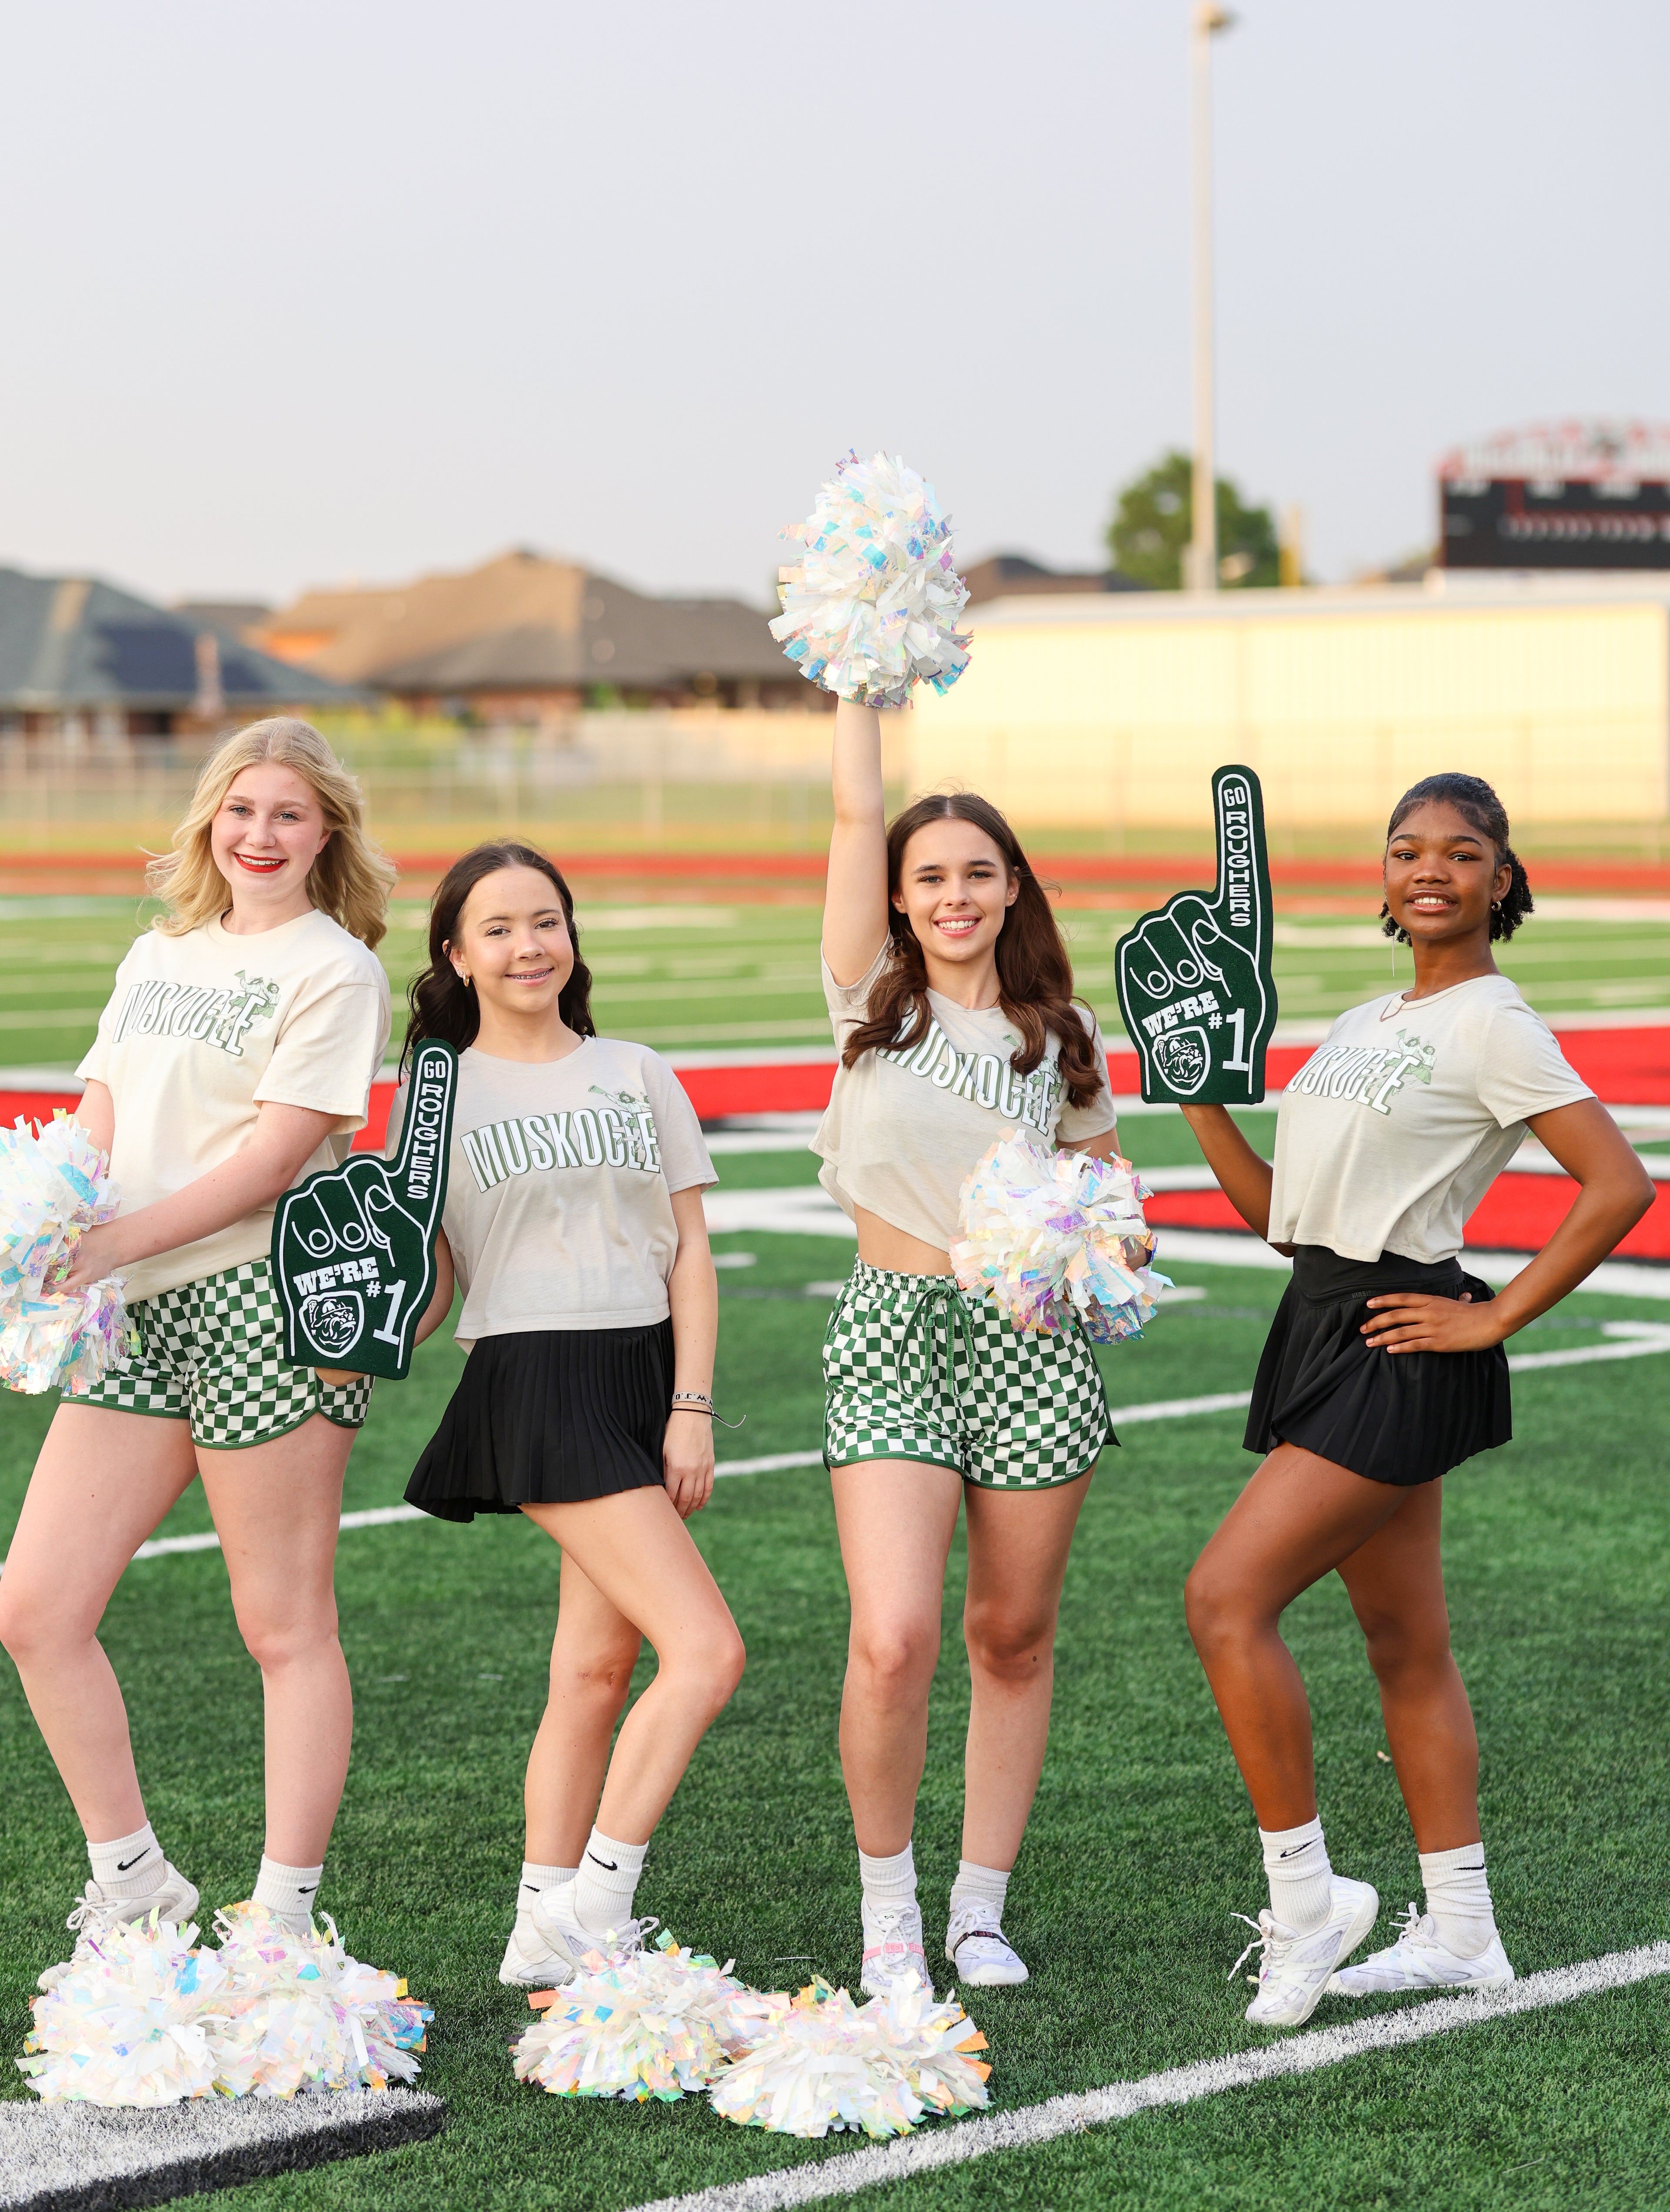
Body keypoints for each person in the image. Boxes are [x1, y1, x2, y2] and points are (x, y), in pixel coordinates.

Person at [1180, 772, 1653, 2028]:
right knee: (1407, 1645)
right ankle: (1462, 1933)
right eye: (1405, 850)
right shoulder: (1363, 1018)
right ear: (1384, 881)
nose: (1428, 866)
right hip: (1323, 1318)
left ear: (1504, 878)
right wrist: (1197, 1095)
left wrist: (1493, 1314)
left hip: (1405, 1338)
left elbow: (1617, 1182)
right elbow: (1285, 1219)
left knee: (1226, 1599)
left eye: (1460, 850)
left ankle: (1306, 1900)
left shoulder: (1494, 1023)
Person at [0, 719, 395, 1948]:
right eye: (240, 810)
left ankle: (280, 1916)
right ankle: (135, 1882)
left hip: (260, 1308)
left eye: (287, 813)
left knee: (283, 1626)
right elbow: (103, 1110)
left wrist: (117, 1244)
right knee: (35, 1608)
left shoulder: (336, 969)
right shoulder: (160, 951)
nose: (260, 835)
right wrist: (54, 1227)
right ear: (208, 823)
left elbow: (281, 1156)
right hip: (133, 1310)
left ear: (325, 828)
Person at [815, 700, 1126, 1995]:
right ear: (895, 897)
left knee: (1011, 1635)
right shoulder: (861, 1007)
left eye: (977, 875)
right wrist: (858, 696)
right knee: (893, 1636)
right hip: (894, 1330)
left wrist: (1097, 1245)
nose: (954, 896)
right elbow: (847, 812)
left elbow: (1120, 1201)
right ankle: (891, 1915)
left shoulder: (1057, 1038)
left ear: (1012, 894)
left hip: (1033, 1349)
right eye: (928, 876)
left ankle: (978, 1910)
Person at [394, 840, 743, 1986]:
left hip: (642, 1373)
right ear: (455, 954)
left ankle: (536, 1927)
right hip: (535, 1374)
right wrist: (355, 1336)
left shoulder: (635, 1070)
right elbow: (431, 1281)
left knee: (594, 1672)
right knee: (706, 1651)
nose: (526, 945)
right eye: (496, 929)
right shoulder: (436, 1094)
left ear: (571, 936)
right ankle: (597, 1900)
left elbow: (691, 1251)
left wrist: (691, 1405)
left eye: (544, 921)